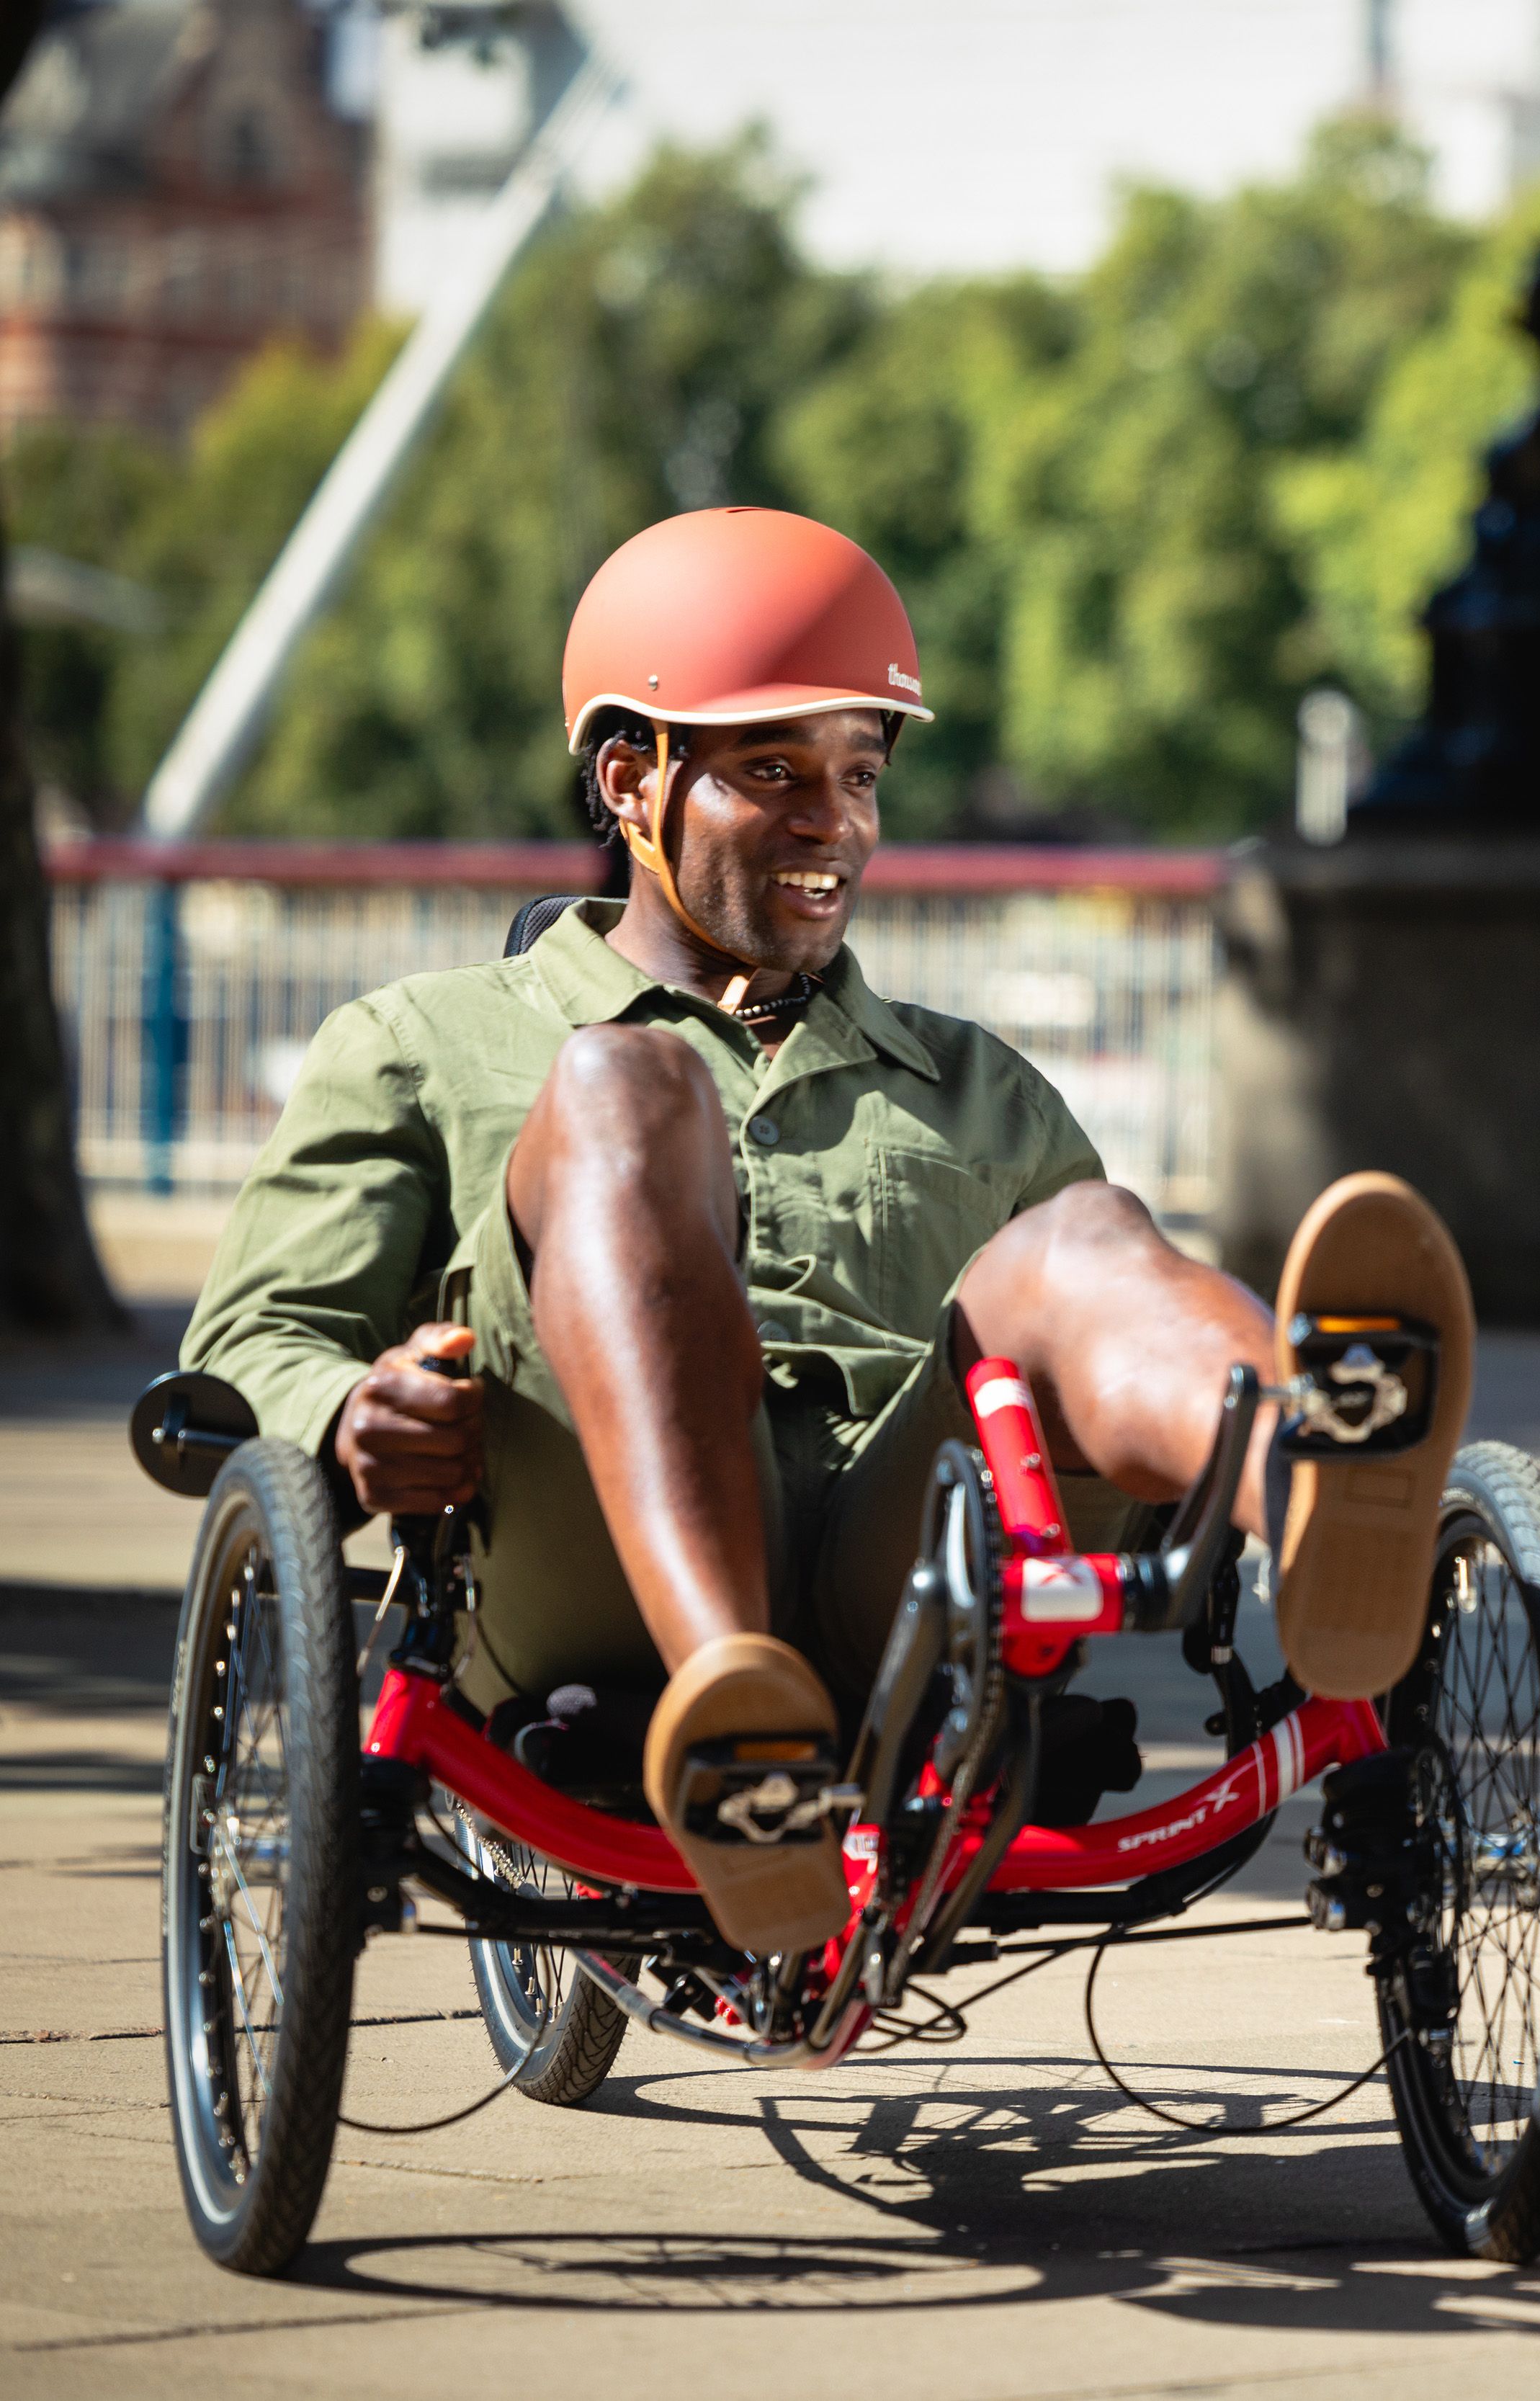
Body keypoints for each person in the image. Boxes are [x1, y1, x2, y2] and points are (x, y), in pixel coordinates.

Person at [183, 506, 1475, 1951]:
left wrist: (1176, 1443)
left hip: (912, 1575)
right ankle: (736, 1711)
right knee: (621, 1083)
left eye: (860, 772)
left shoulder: (979, 1083)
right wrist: (350, 1412)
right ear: (629, 779)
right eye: (773, 770)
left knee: (1089, 1235)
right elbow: (249, 1346)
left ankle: (1316, 1486)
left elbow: (1103, 1362)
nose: (837, 820)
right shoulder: (423, 1043)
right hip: (582, 1565)